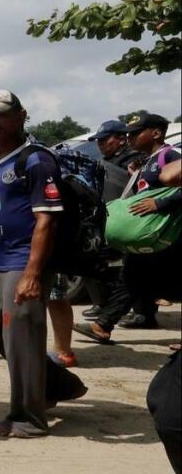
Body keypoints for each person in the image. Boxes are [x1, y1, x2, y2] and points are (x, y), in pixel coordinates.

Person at [0, 90, 87, 438]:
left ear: (21, 115)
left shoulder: (36, 160)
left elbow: (46, 221)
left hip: (20, 264)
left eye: (0, 115)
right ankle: (59, 385)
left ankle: (28, 417)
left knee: (22, 339)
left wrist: (32, 274)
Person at [75, 113, 180, 344]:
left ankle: (104, 324)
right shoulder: (148, 160)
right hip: (150, 233)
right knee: (132, 276)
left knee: (139, 277)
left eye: (135, 133)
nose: (130, 138)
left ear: (156, 133)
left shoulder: (169, 155)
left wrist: (159, 203)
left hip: (167, 233)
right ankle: (103, 325)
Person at [82, 120, 156, 328]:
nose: (100, 144)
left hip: (137, 220)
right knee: (124, 267)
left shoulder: (135, 159)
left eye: (105, 140)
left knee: (137, 267)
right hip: (115, 219)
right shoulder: (108, 160)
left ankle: (141, 313)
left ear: (120, 138)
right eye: (99, 141)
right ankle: (107, 309)